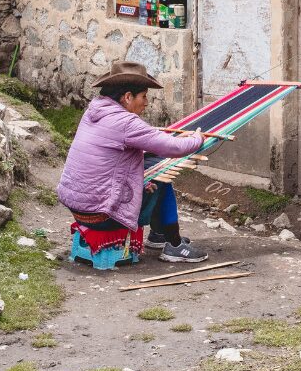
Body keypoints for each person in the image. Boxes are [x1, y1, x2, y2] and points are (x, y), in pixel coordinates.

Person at [57, 61, 207, 263]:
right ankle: (174, 243)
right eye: (144, 96)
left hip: (78, 209)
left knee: (150, 164)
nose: (146, 102)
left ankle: (158, 235)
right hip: (102, 215)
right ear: (127, 97)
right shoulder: (126, 122)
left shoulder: (94, 111)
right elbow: (173, 148)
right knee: (163, 167)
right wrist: (197, 138)